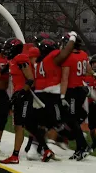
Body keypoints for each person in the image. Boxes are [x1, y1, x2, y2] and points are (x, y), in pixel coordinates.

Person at [24, 32, 78, 161]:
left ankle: (34, 149)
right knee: (56, 122)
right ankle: (52, 144)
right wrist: (72, 38)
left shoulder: (39, 62)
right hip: (50, 94)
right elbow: (66, 52)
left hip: (39, 94)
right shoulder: (51, 57)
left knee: (41, 124)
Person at [59, 33, 96, 161]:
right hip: (81, 91)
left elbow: (65, 78)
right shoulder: (83, 54)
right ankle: (79, 149)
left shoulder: (68, 57)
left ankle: (84, 146)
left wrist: (62, 95)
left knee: (71, 120)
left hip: (72, 91)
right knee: (74, 119)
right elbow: (87, 68)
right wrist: (94, 73)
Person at [0, 38, 35, 164]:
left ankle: (15, 155)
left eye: (8, 48)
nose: (6, 50)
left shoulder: (20, 59)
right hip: (18, 94)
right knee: (23, 125)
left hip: (23, 95)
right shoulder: (13, 60)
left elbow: (30, 79)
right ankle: (45, 149)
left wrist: (21, 93)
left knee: (20, 125)